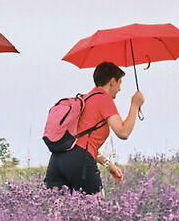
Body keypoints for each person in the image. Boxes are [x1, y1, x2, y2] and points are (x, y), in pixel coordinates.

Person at [45, 63, 143, 193]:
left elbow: (81, 143)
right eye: (120, 83)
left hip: (57, 160)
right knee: (97, 211)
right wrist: (135, 105)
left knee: (57, 212)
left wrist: (109, 165)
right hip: (80, 162)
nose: (119, 89)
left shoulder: (85, 99)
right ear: (112, 81)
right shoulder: (103, 99)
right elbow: (123, 132)